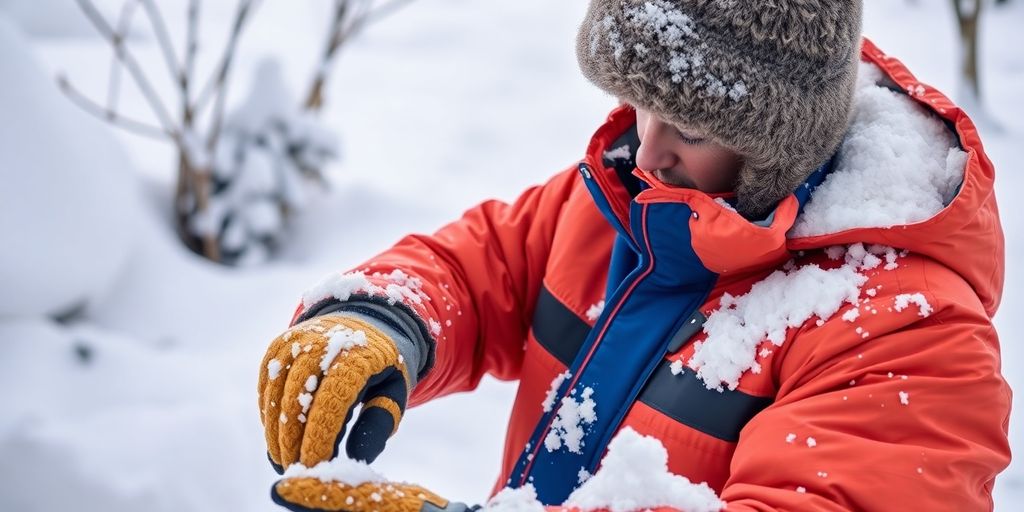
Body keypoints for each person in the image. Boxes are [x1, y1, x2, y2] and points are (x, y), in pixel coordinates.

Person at [258, 1, 1012, 511]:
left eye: (691, 127)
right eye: (641, 102)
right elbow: (477, 264)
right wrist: (377, 323)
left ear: (782, 144)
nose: (648, 148)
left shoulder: (910, 337)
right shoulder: (627, 202)